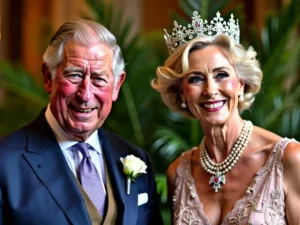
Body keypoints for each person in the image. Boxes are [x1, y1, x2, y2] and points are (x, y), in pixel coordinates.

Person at [0, 19, 163, 225]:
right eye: (74, 75)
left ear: (116, 85)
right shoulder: (4, 163)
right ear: (48, 78)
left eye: (99, 79)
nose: (85, 94)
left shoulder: (136, 158)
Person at [152, 11, 300, 225]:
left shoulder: (289, 159)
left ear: (241, 84)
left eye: (221, 74)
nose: (210, 90)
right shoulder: (179, 173)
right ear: (182, 92)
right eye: (195, 79)